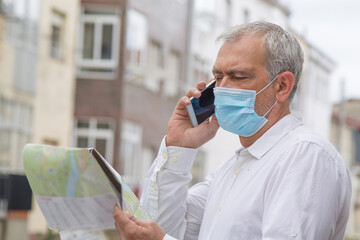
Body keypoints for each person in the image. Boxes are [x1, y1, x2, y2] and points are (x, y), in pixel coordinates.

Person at [113, 21, 352, 240]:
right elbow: (165, 226)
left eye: (238, 77)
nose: (221, 89)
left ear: (282, 86)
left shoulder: (306, 156)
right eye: (217, 77)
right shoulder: (232, 169)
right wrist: (179, 145)